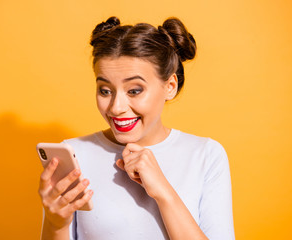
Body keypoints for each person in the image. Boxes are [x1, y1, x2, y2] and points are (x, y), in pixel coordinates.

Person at [38, 16, 235, 240]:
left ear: (170, 86)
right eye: (105, 90)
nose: (116, 107)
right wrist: (56, 224)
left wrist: (163, 192)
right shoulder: (74, 155)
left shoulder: (206, 155)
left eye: (134, 90)